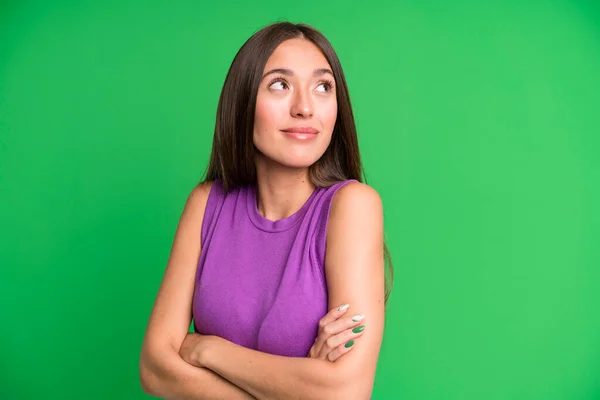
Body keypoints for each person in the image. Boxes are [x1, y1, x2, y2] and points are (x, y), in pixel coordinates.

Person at [139, 21, 392, 399]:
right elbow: (155, 369)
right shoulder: (206, 203)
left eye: (323, 87)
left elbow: (345, 391)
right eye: (280, 84)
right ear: (243, 101)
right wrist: (297, 385)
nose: (305, 108)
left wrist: (209, 350)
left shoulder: (352, 206)